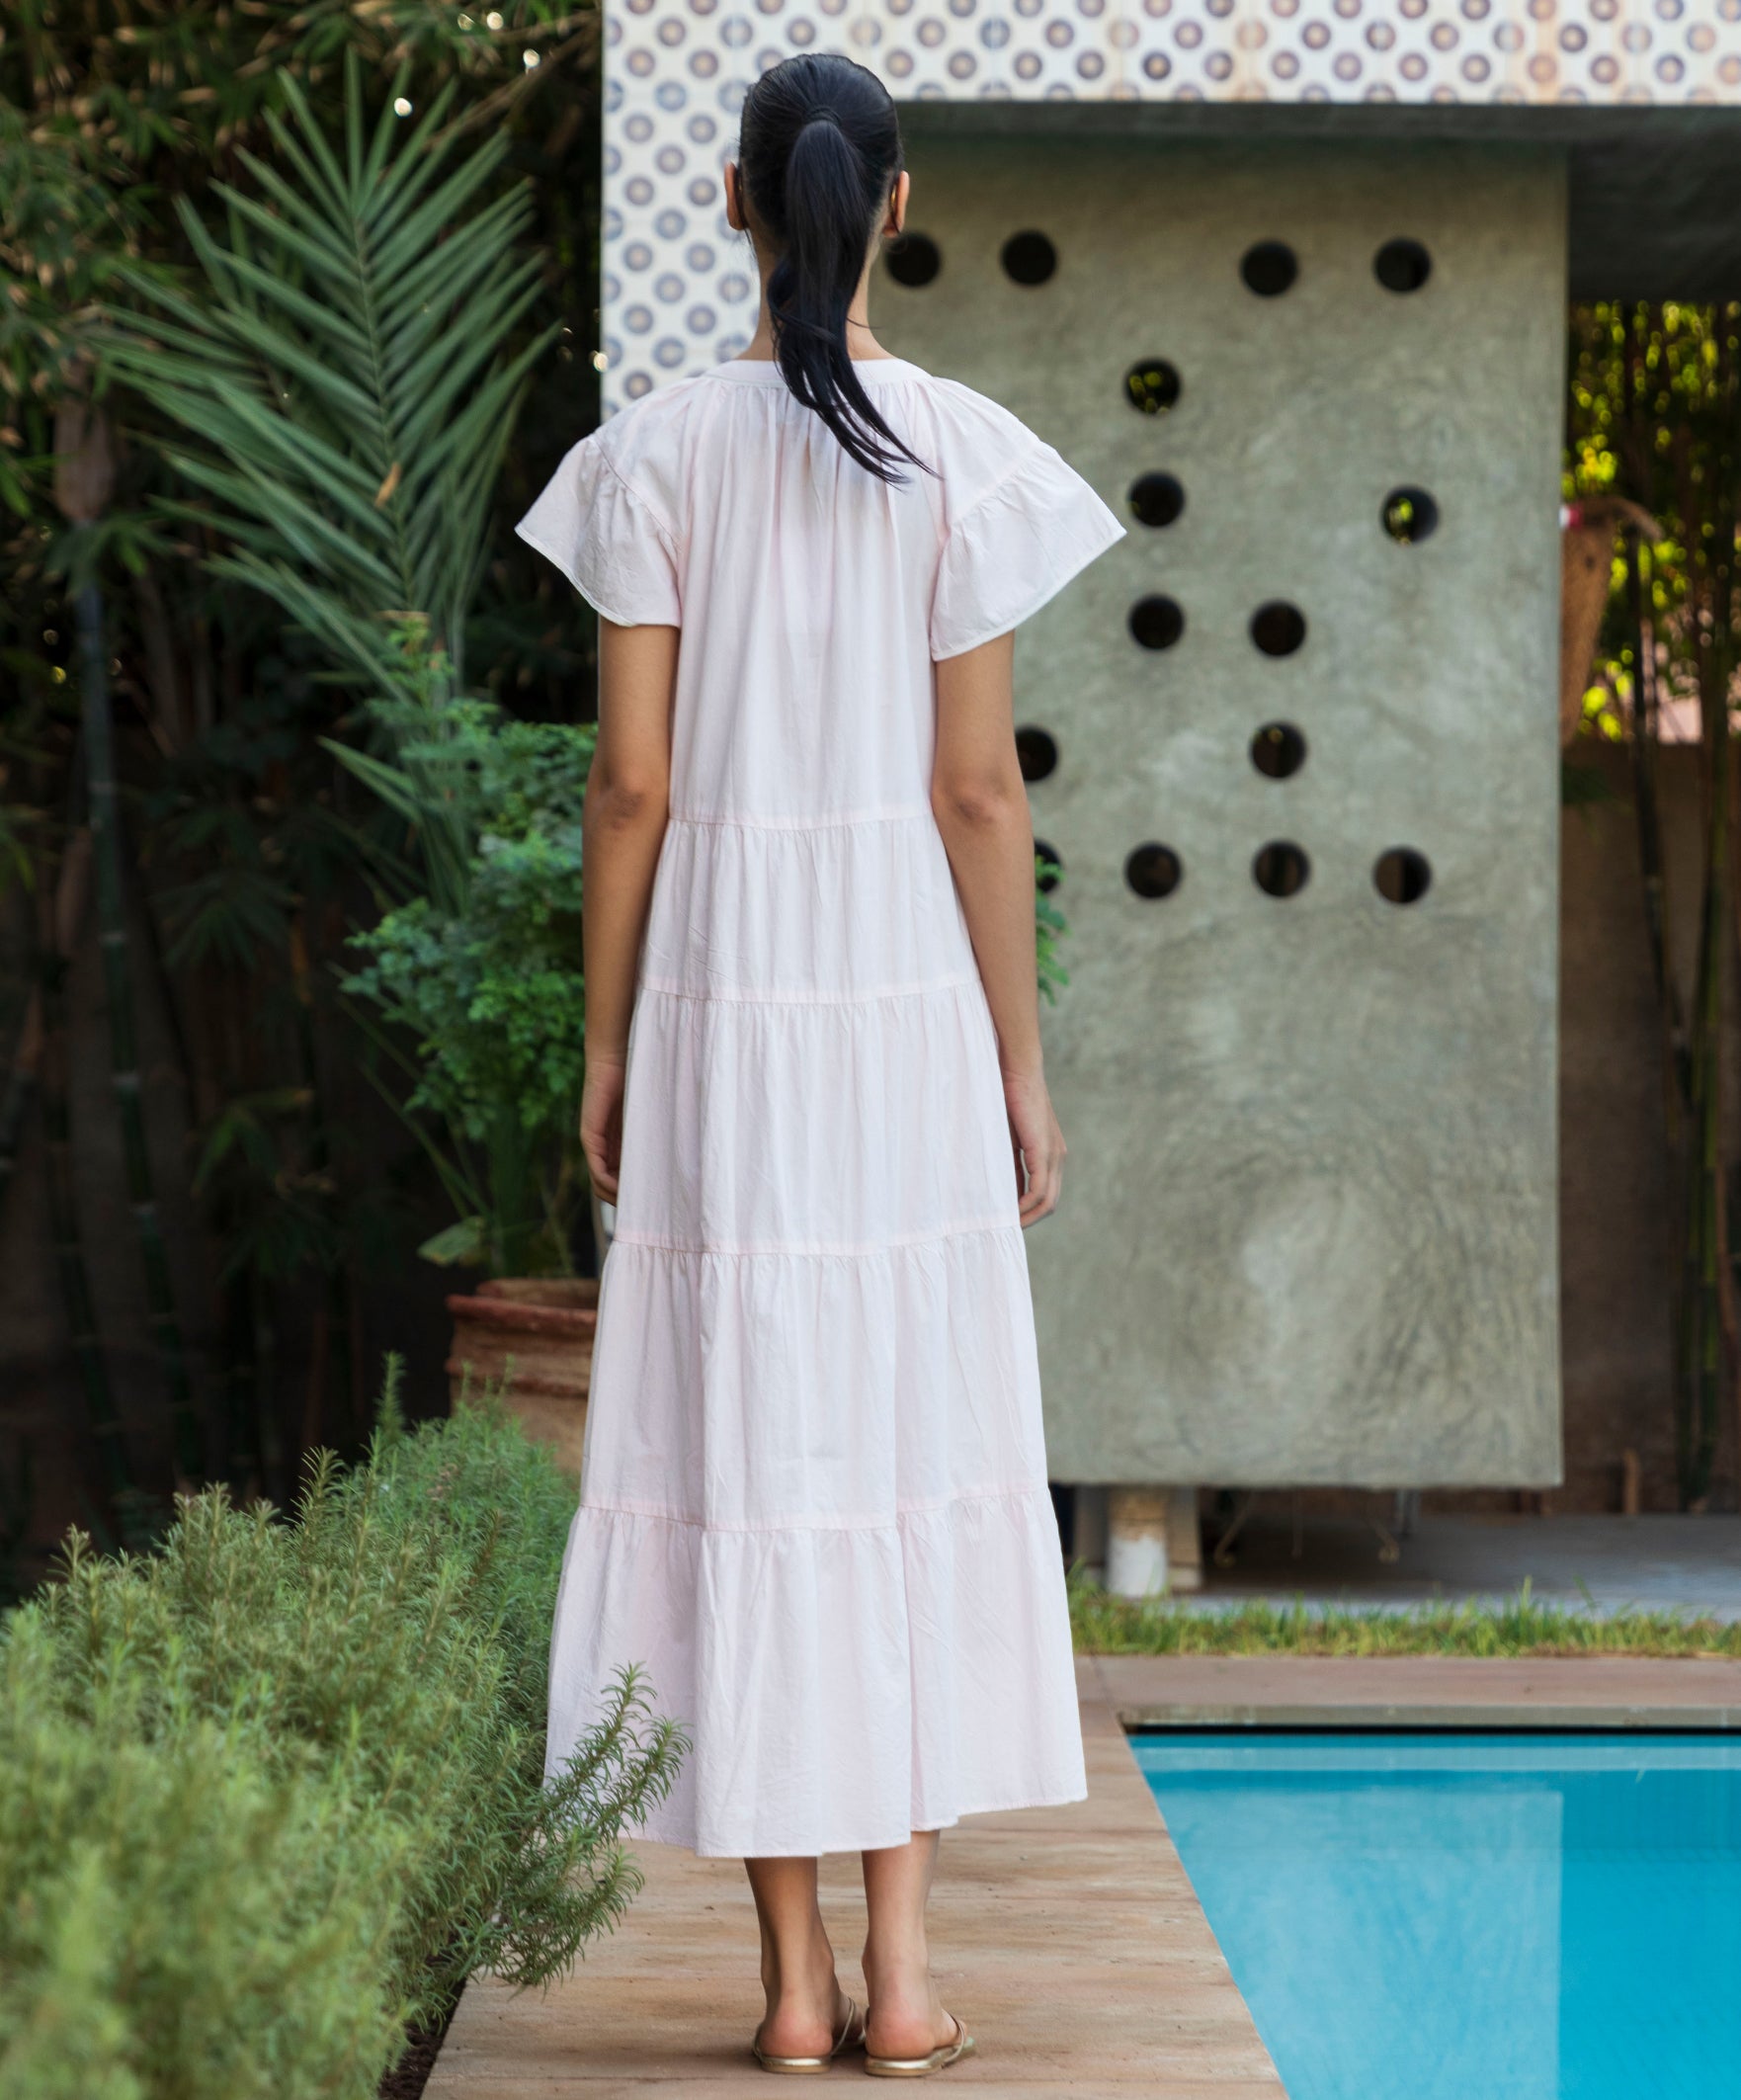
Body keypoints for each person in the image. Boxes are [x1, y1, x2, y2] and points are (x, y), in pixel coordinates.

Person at [516, 50, 1123, 2080]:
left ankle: (781, 1996)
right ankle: (907, 1974)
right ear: (896, 201)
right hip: (896, 1021)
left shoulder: (648, 456)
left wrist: (604, 1046)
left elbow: (625, 789)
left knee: (742, 1455)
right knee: (896, 1449)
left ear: (731, 201)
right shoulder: (958, 453)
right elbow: (975, 796)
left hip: (717, 1016)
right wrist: (1020, 1068)